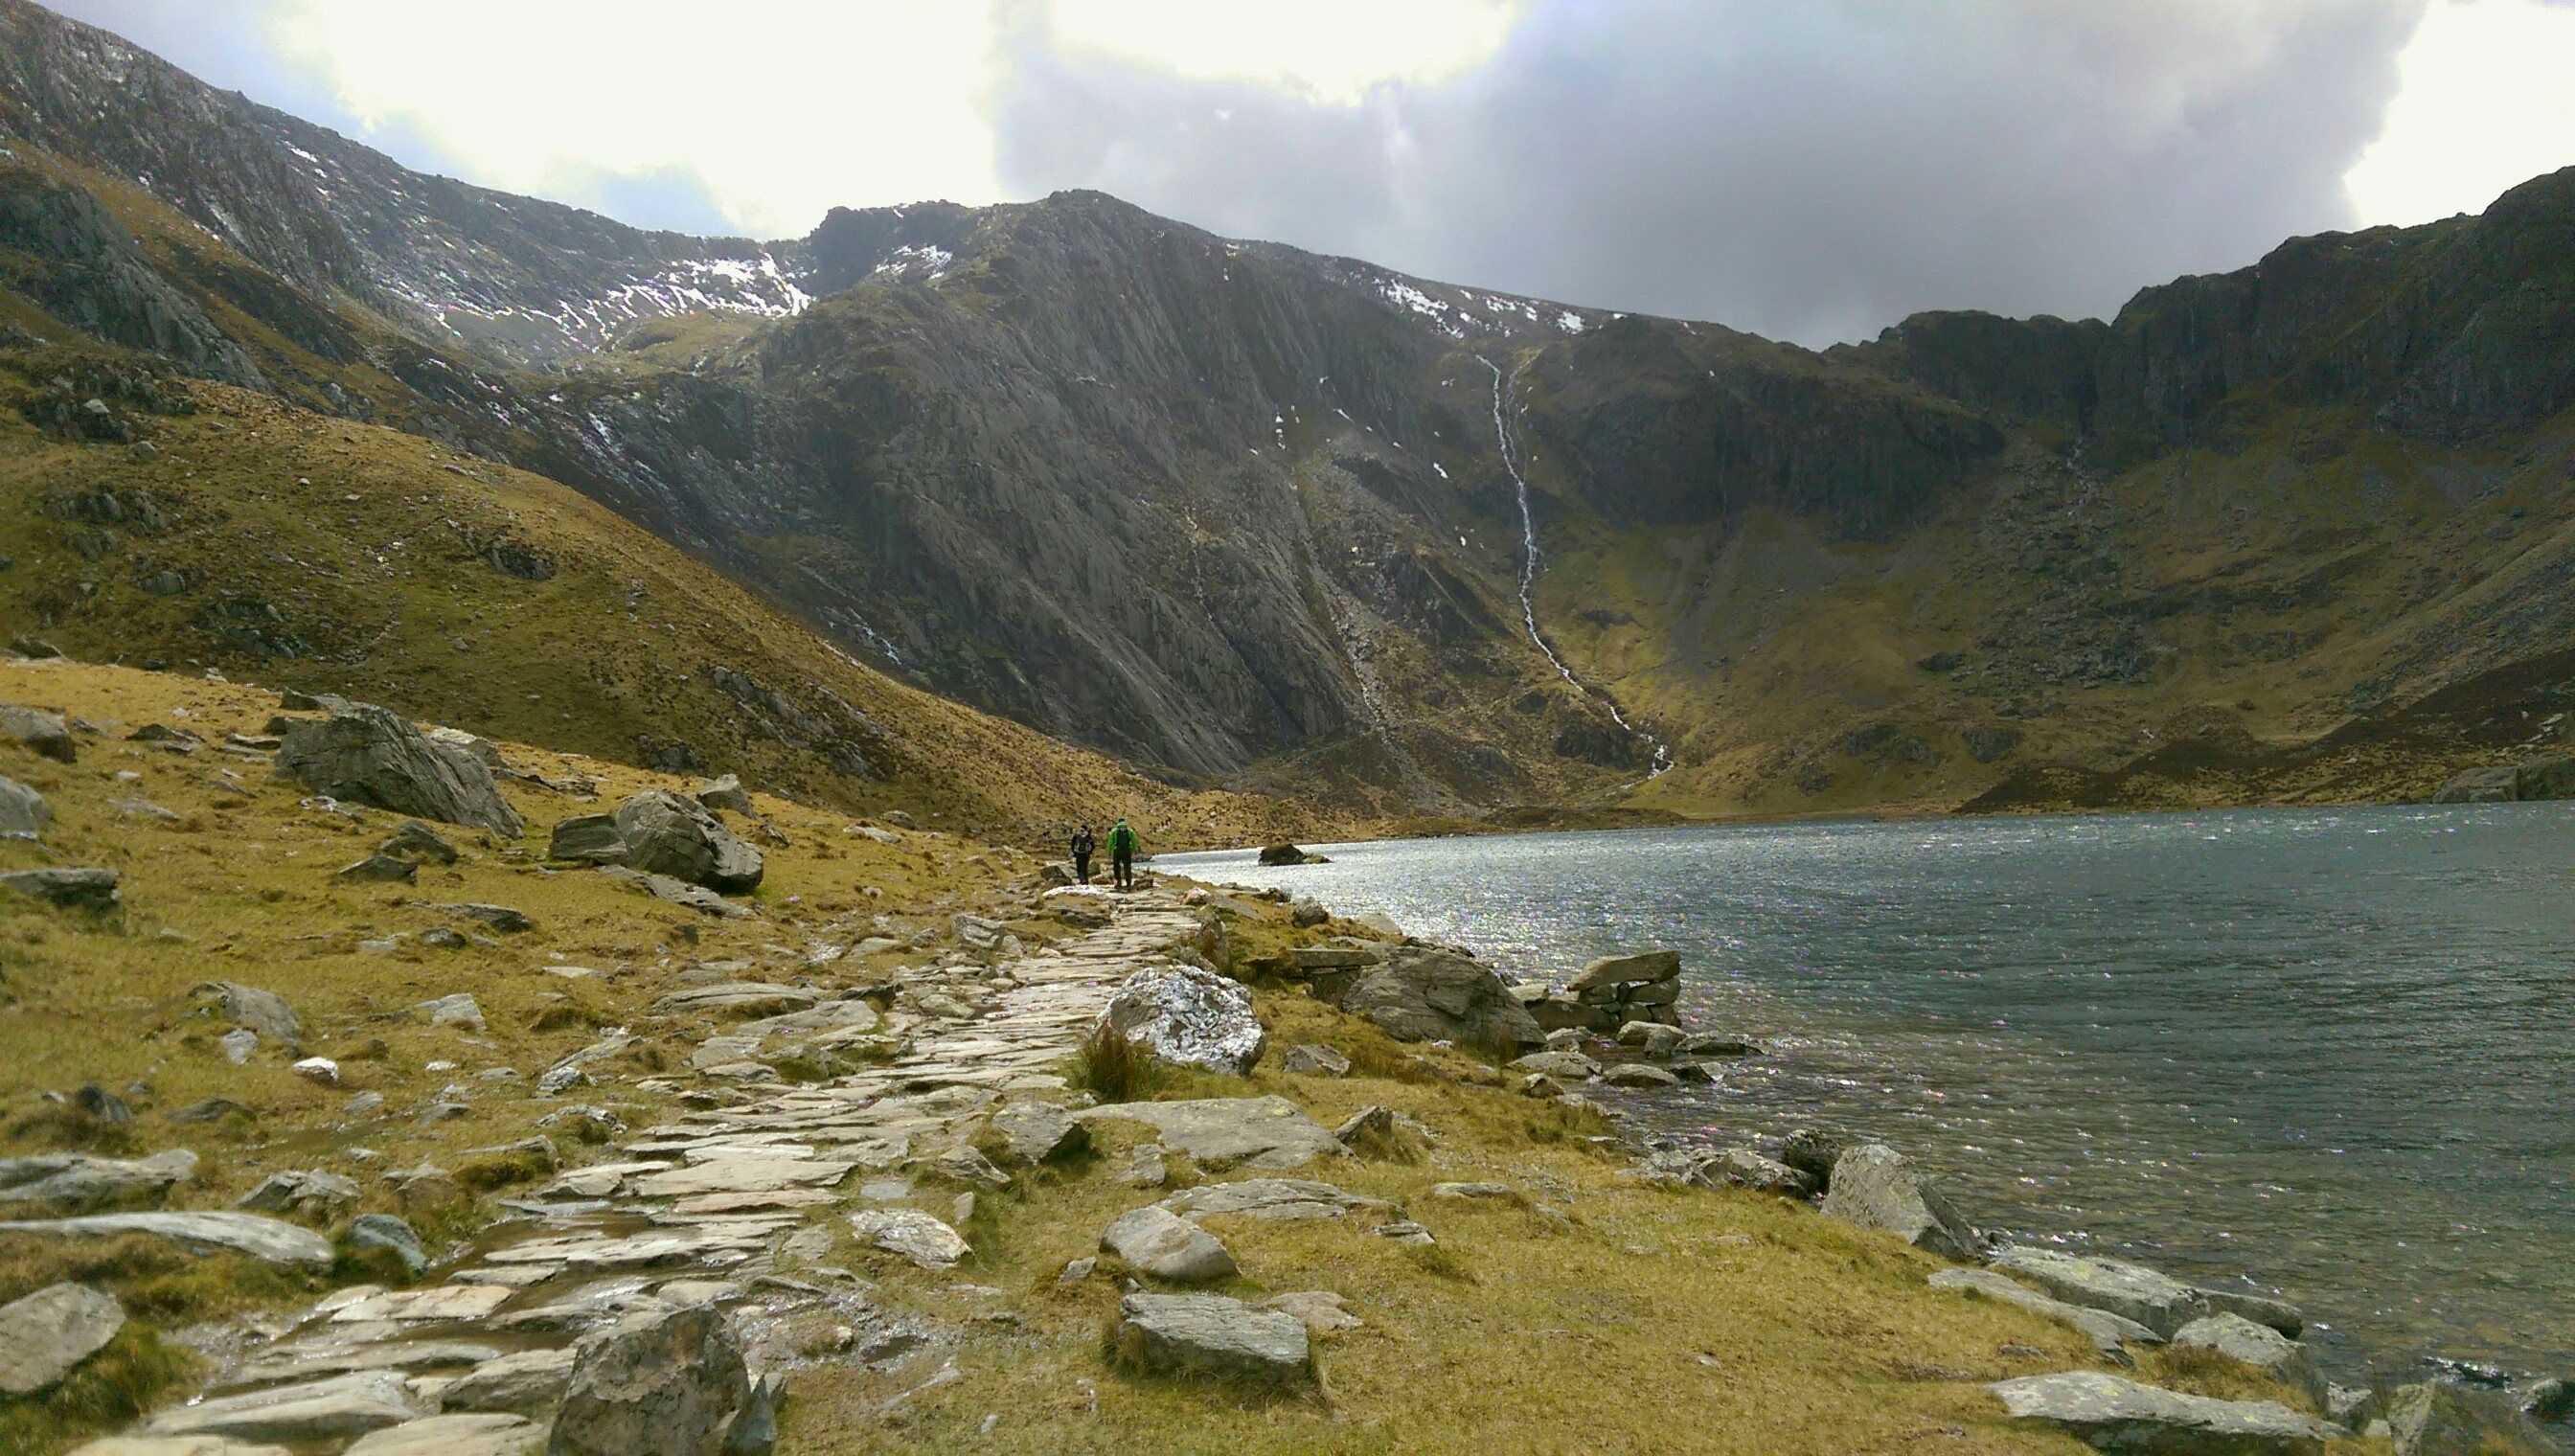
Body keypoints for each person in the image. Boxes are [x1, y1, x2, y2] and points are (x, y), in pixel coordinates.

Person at [1108, 817, 1138, 891]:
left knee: (1116, 867)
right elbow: (1134, 841)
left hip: (1117, 851)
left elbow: (1110, 843)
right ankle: (1128, 882)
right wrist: (1133, 849)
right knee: (1127, 867)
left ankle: (1118, 882)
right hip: (1127, 851)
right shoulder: (1130, 831)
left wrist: (1109, 851)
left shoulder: (1114, 831)